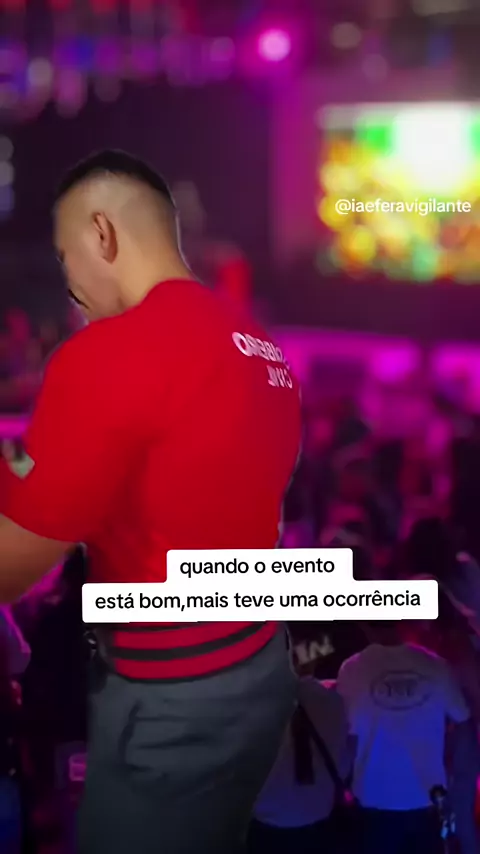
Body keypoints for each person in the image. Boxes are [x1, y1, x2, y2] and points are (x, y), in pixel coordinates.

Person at [0, 150, 302, 854]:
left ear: (102, 235)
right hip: (256, 666)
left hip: (172, 695)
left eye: (66, 257)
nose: (70, 284)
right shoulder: (260, 347)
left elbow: (11, 567)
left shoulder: (106, 354)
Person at [337, 620, 471, 854]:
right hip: (428, 797)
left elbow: (348, 737)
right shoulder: (436, 665)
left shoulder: (352, 669)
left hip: (373, 799)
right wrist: (451, 767)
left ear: (363, 623)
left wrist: (340, 786)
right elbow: (463, 722)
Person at [248, 673, 350, 854]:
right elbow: (344, 766)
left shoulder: (247, 707)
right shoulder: (334, 701)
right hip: (319, 823)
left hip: (265, 827)